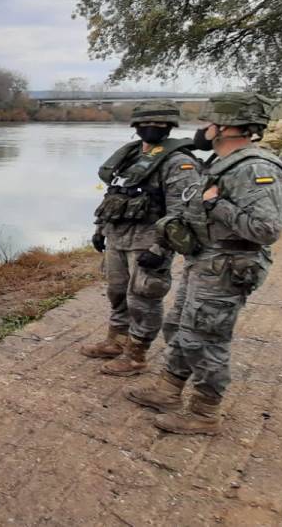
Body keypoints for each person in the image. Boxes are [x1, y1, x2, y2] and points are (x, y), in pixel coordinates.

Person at [127, 92, 282, 435]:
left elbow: (266, 229)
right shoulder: (221, 162)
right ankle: (168, 390)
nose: (203, 129)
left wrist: (216, 204)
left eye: (208, 122)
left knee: (207, 338)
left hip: (229, 266)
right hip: (205, 261)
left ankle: (204, 413)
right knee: (181, 328)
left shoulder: (255, 167)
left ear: (226, 126)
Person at [83, 101, 202, 376]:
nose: (152, 128)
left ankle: (136, 355)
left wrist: (160, 247)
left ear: (170, 127)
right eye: (146, 124)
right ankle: (116, 340)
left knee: (143, 299)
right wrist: (100, 229)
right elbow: (113, 195)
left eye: (160, 124)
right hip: (117, 237)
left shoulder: (179, 163)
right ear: (135, 126)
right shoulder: (130, 157)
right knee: (116, 292)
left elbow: (181, 212)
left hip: (148, 241)